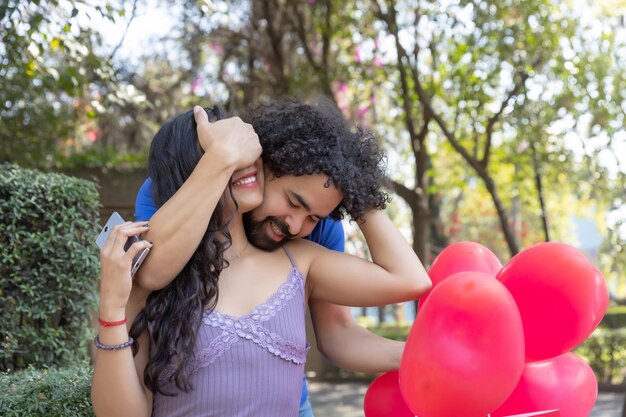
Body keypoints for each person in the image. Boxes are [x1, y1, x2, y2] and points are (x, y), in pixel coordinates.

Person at [91, 104, 431, 417]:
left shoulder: (306, 253)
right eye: (294, 202)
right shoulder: (162, 222)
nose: (297, 226)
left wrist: (355, 184)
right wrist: (222, 156)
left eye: (314, 215)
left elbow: (399, 287)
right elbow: (148, 275)